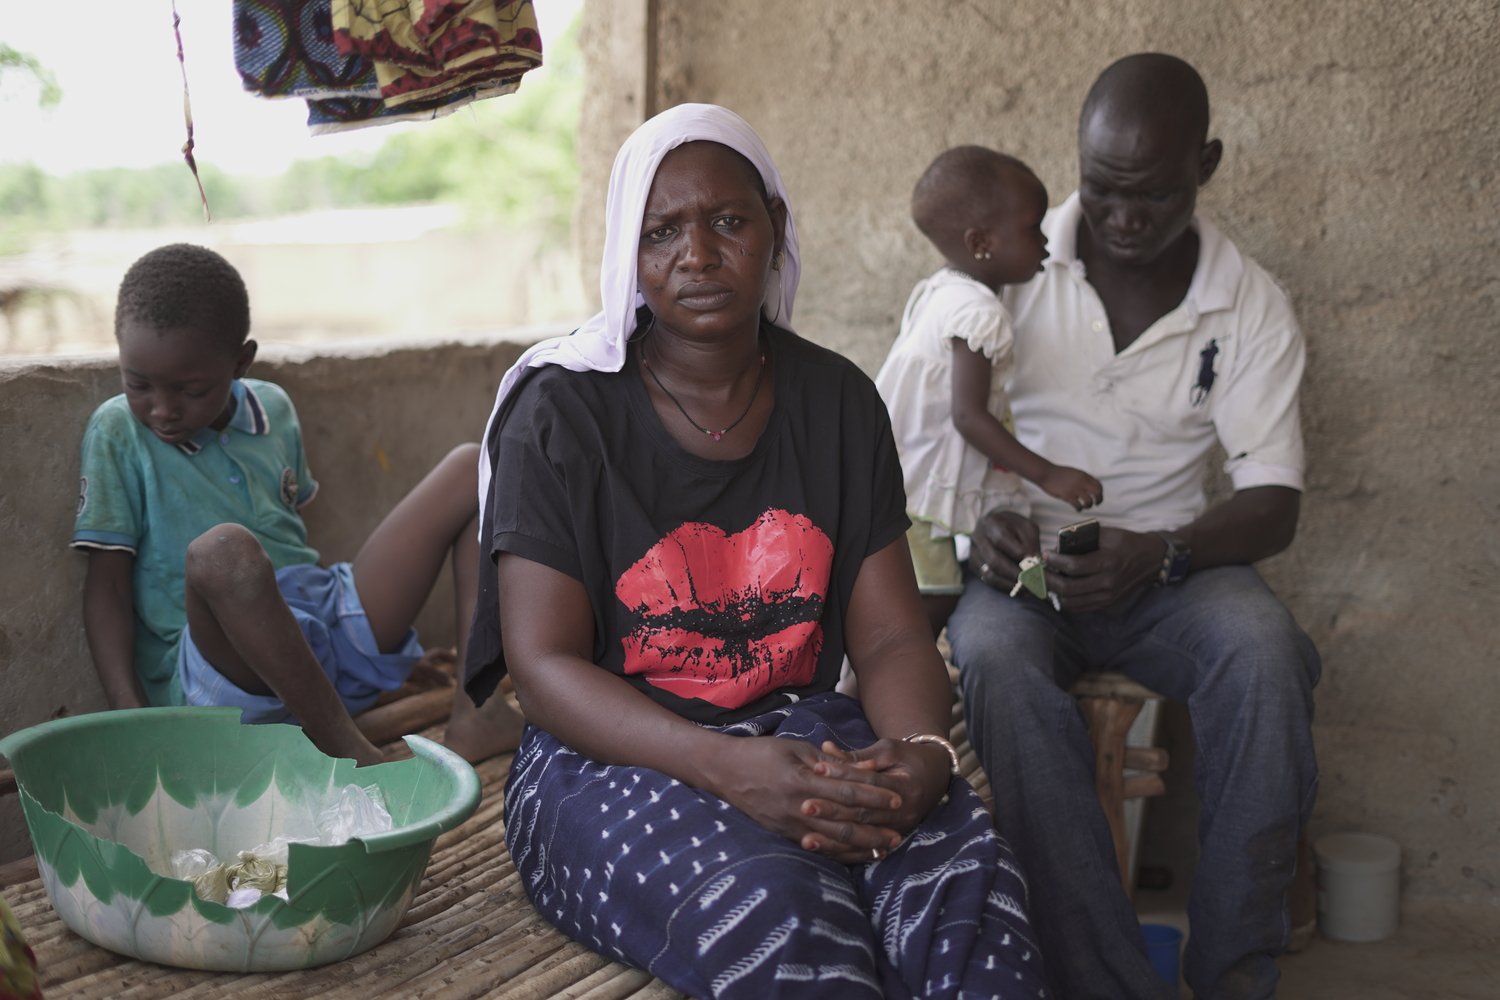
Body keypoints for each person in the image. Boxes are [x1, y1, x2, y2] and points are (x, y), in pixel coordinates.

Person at [463, 104, 1049, 999]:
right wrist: (722, 765)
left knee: (966, 889)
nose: (697, 255)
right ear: (630, 251)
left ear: (774, 228)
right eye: (662, 232)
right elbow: (540, 668)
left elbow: (891, 640)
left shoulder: (838, 404)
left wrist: (923, 754)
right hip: (607, 761)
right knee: (777, 914)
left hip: (799, 737)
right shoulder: (564, 414)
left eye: (728, 221)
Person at [945, 54, 1321, 999]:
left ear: (1207, 164)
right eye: (1101, 187)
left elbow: (1274, 501)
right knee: (991, 661)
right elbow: (927, 425)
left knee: (1266, 651)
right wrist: (977, 528)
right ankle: (1101, 981)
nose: (1118, 218)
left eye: (1150, 196)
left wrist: (1163, 553)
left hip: (1170, 570)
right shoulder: (1008, 263)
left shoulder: (1249, 306)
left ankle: (1234, 973)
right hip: (1027, 572)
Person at [73, 243, 523, 766]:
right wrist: (131, 716)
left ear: (241, 362)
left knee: (472, 466)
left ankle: (477, 710)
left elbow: (289, 539)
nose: (163, 409)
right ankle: (347, 748)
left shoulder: (274, 409)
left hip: (316, 634)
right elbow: (105, 588)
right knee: (223, 551)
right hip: (220, 674)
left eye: (191, 389)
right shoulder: (117, 431)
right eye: (138, 384)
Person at [875, 146, 1103, 636]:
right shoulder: (980, 314)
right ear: (980, 242)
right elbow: (969, 417)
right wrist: (1050, 474)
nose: (1045, 242)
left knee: (901, 627)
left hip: (897, 479)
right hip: (918, 494)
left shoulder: (942, 291)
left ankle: (857, 704)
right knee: (916, 629)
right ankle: (861, 710)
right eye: (1032, 229)